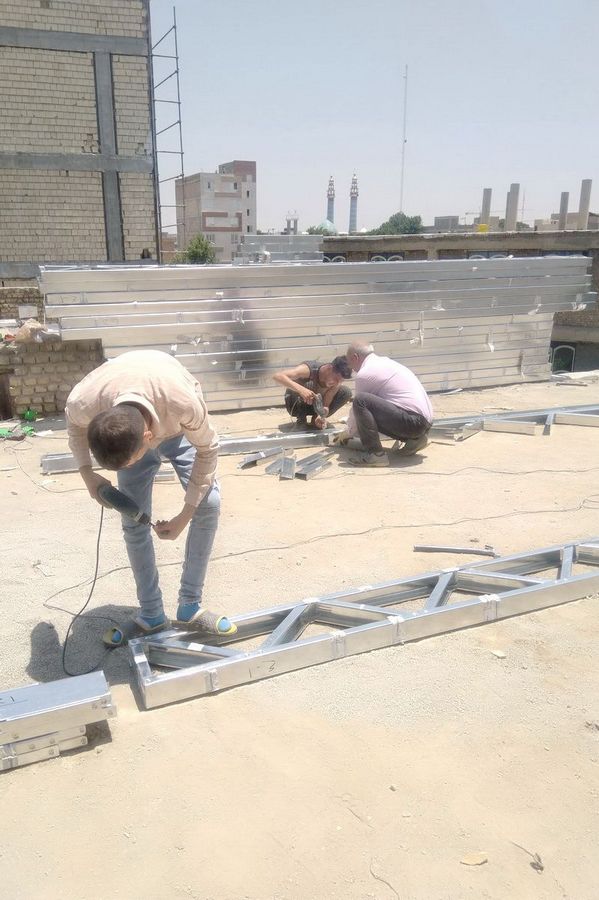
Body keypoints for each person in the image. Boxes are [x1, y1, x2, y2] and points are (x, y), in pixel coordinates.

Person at [65, 349, 237, 646]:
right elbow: (73, 425)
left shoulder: (183, 404)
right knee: (133, 520)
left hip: (175, 425)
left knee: (208, 503)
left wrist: (185, 514)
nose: (125, 471)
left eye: (128, 463)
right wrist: (87, 474)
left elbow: (208, 449)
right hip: (130, 413)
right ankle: (151, 614)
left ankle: (190, 606)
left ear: (148, 438)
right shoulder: (84, 400)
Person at [335, 341, 433, 467]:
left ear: (355, 357)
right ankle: (416, 440)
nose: (351, 368)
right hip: (425, 423)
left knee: (360, 401)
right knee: (370, 405)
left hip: (412, 422)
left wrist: (348, 433)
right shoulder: (385, 362)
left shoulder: (366, 373)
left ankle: (376, 455)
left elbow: (357, 412)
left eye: (350, 362)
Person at [273, 356, 352, 428]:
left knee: (346, 392)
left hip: (315, 406)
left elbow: (326, 403)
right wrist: (301, 390)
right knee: (308, 384)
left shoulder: (336, 383)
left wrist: (322, 414)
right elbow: (277, 376)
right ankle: (301, 421)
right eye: (336, 379)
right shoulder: (308, 369)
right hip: (295, 404)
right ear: (329, 368)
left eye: (340, 381)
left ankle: (316, 420)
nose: (337, 383)